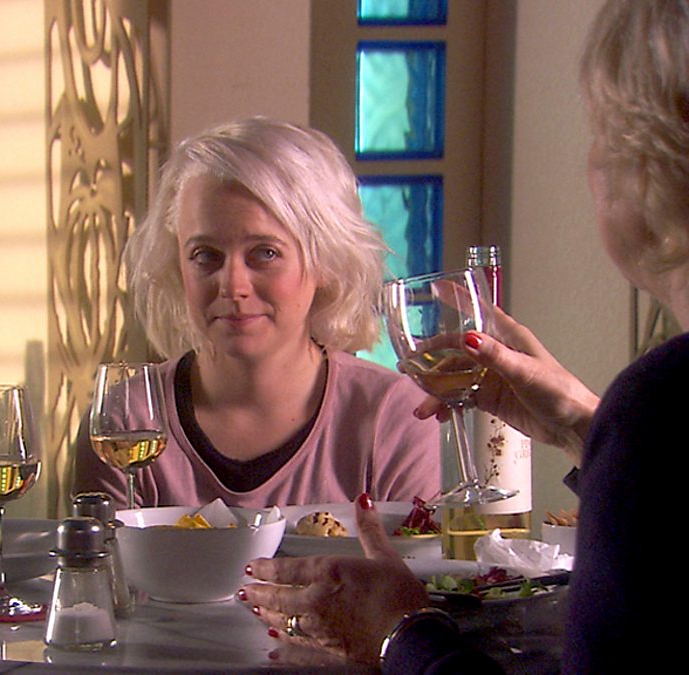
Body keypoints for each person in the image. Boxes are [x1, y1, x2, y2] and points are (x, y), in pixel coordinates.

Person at [239, 0, 676, 671]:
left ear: (652, 167)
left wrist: (400, 632)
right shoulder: (649, 416)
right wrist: (581, 427)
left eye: (605, 133)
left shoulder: (662, 406)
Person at [74, 118, 440, 507]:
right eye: (205, 255)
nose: (232, 285)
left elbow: (416, 550)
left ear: (325, 261)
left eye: (265, 253)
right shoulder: (125, 422)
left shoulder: (393, 416)